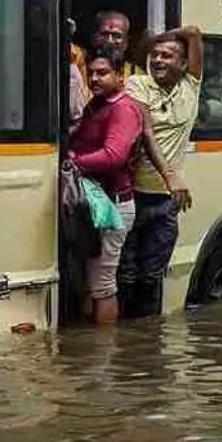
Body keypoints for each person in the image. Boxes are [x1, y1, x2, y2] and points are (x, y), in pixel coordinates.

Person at [119, 26, 203, 319]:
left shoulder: (191, 86)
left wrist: (171, 34)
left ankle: (147, 350)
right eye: (154, 54)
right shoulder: (137, 84)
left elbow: (194, 33)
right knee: (126, 276)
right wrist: (170, 175)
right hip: (131, 197)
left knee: (152, 277)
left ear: (183, 64)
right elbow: (146, 131)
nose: (158, 60)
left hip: (165, 204)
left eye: (167, 55)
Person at [68, 48, 145, 324]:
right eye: (91, 73)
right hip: (93, 202)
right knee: (88, 284)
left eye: (103, 73)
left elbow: (114, 155)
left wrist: (74, 162)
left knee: (102, 285)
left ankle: (105, 353)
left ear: (120, 75)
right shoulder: (96, 105)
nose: (95, 79)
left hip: (112, 206)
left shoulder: (123, 109)